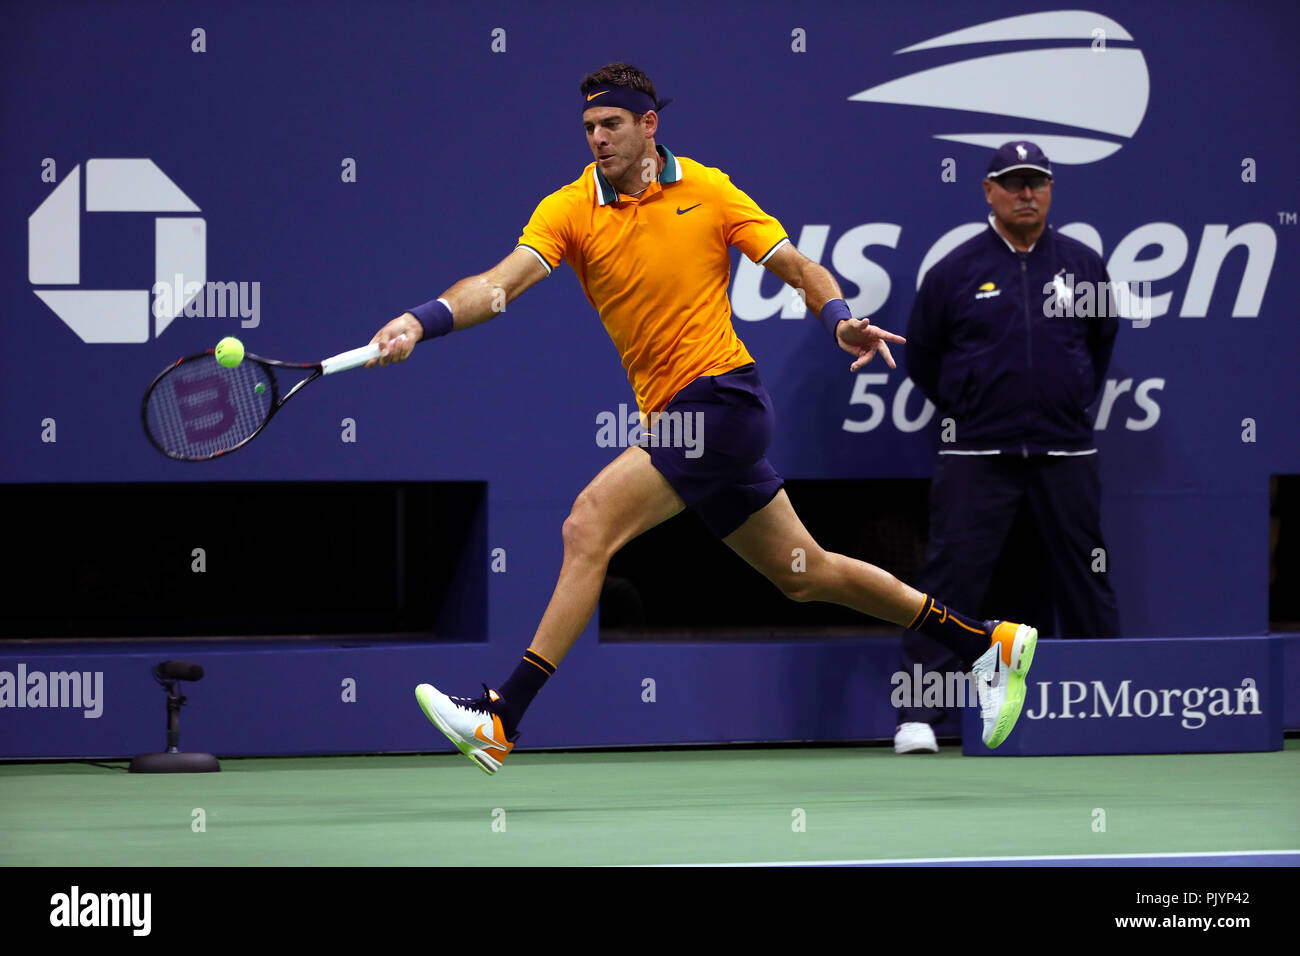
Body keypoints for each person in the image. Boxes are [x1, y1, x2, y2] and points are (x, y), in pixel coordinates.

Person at [367, 63, 1038, 774]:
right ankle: (982, 642)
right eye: (589, 127)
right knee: (804, 573)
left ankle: (502, 716)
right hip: (697, 420)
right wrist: (420, 321)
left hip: (721, 400)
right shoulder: (568, 209)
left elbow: (802, 268)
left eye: (613, 125)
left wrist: (839, 318)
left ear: (648, 125)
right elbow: (498, 283)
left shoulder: (710, 192)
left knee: (587, 523)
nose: (598, 139)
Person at [893, 141, 1119, 755]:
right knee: (951, 578)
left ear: (1050, 190)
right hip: (977, 454)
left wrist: (1064, 402)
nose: (1026, 193)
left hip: (1064, 450)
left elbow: (1099, 347)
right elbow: (924, 358)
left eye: (1037, 183)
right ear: (988, 191)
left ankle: (1112, 703)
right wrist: (972, 408)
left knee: (1085, 576)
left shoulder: (1083, 265)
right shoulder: (955, 271)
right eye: (1013, 183)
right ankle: (920, 715)